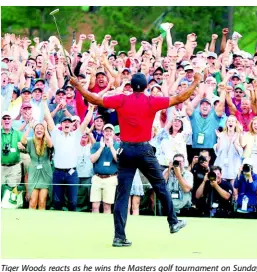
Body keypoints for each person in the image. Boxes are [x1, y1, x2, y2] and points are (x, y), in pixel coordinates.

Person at [70, 71, 202, 247]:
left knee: (122, 194)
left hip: (125, 149)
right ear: (146, 87)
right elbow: (179, 98)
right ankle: (173, 221)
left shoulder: (122, 99)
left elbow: (94, 99)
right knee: (160, 186)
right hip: (144, 149)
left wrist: (78, 86)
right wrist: (196, 82)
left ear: (131, 86)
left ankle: (119, 236)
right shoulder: (151, 101)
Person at [42, 93, 92, 211]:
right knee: (57, 202)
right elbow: (49, 118)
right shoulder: (55, 133)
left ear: (71, 125)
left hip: (72, 173)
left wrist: (91, 108)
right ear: (62, 124)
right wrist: (44, 103)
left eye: (69, 123)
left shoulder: (76, 135)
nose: (66, 124)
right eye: (64, 122)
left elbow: (86, 122)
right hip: (58, 173)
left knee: (73, 202)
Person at [20, 121, 53, 209]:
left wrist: (46, 129)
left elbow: (51, 145)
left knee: (42, 201)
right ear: (34, 131)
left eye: (41, 129)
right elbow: (23, 141)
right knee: (33, 201)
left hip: (45, 173)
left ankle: (41, 221)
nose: (39, 130)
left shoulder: (46, 141)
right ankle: (31, 221)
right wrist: (29, 127)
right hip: (34, 172)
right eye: (37, 128)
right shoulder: (31, 141)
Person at [90, 124, 119, 214]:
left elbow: (118, 160)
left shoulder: (117, 145)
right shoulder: (96, 145)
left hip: (110, 178)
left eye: (110, 131)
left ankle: (106, 226)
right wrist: (102, 147)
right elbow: (92, 159)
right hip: (97, 178)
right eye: (106, 131)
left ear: (113, 133)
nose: (108, 133)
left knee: (107, 206)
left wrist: (111, 146)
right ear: (103, 132)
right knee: (95, 206)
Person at [1, 111, 23, 191]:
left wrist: (23, 146)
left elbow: (26, 144)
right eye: (4, 118)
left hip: (14, 167)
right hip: (1, 167)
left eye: (9, 118)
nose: (6, 120)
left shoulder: (18, 133)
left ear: (12, 120)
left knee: (12, 193)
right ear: (1, 120)